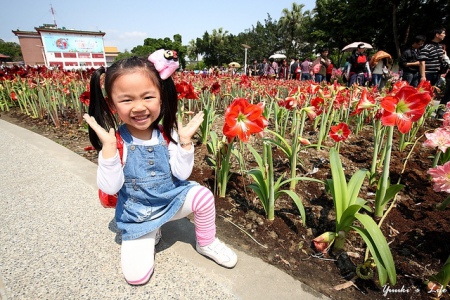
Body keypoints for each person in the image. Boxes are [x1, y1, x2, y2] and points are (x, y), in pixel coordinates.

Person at [83, 50, 238, 285]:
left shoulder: (167, 134)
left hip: (170, 200)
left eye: (148, 97)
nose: (138, 107)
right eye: (126, 100)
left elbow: (181, 174)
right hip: (139, 215)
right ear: (112, 104)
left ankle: (206, 242)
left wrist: (184, 142)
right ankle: (152, 230)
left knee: (203, 196)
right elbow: (111, 186)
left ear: (161, 97)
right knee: (136, 278)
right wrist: (108, 149)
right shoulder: (116, 141)